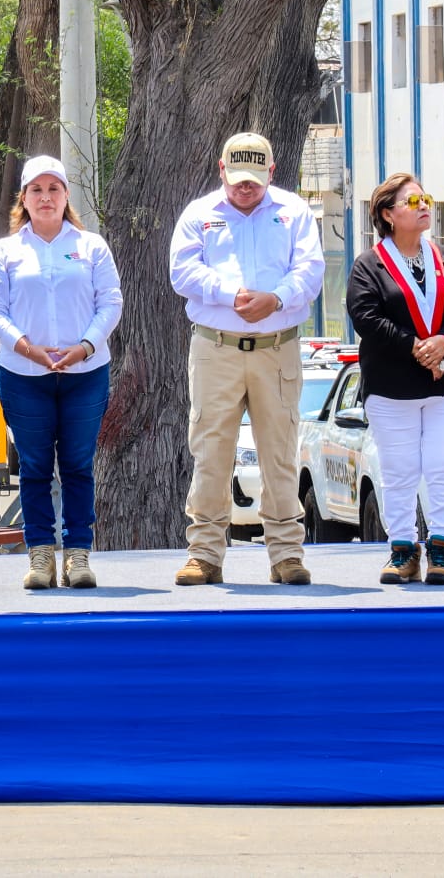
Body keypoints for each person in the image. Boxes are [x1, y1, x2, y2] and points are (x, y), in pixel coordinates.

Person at [168, 132, 325, 586]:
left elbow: (310, 271)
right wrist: (230, 294)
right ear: (221, 170)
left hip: (278, 346)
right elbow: (181, 270)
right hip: (215, 346)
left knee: (280, 452)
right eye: (237, 180)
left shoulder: (294, 212)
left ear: (271, 173)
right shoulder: (199, 214)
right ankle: (205, 553)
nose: (245, 189)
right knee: (210, 451)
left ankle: (286, 554)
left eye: (254, 181)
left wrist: (275, 299)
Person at [0, 155, 123, 589]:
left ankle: (77, 556)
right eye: (36, 190)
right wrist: (27, 348)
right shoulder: (7, 250)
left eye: (54, 189)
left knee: (78, 466)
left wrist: (84, 347)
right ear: (24, 198)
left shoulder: (91, 245)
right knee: (36, 467)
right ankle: (40, 556)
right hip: (24, 376)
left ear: (66, 196)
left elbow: (110, 302)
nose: (45, 198)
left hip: (86, 373)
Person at [346, 174, 444, 585]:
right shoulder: (368, 265)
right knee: (400, 469)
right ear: (388, 214)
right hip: (392, 387)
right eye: (414, 200)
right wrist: (415, 347)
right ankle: (403, 550)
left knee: (443, 465)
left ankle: (442, 550)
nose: (425, 206)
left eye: (427, 198)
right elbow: (366, 317)